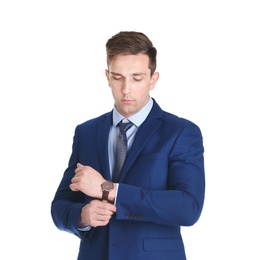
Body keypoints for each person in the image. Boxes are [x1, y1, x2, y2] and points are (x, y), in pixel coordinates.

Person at [51, 31, 205, 260]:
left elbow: (187, 207)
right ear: (107, 76)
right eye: (118, 77)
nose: (126, 89)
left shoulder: (181, 132)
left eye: (137, 78)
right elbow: (60, 206)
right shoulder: (86, 132)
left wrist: (109, 189)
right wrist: (82, 216)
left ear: (153, 79)